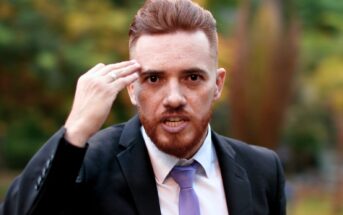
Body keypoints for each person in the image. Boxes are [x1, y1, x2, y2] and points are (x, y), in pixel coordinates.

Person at [0, 0, 286, 214]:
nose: (174, 97)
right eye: (153, 78)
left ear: (218, 84)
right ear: (132, 88)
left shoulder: (262, 170)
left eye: (193, 77)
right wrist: (74, 130)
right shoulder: (87, 165)